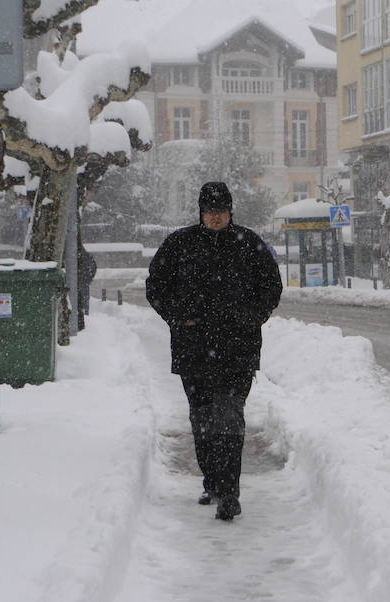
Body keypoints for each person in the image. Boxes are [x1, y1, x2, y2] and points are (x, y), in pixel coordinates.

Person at [146, 181, 282, 521]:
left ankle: (230, 491)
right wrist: (178, 317)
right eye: (210, 211)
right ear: (201, 212)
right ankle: (212, 480)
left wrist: (252, 317)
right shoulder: (180, 244)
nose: (216, 217)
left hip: (238, 349)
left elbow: (271, 286)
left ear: (230, 211)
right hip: (193, 350)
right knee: (203, 418)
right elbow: (156, 286)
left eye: (221, 211)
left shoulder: (248, 244)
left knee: (231, 416)